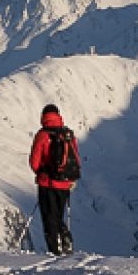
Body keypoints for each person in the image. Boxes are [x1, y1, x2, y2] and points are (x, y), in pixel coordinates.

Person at [28, 103, 80, 255]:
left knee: (48, 216)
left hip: (47, 183)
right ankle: (65, 236)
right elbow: (75, 158)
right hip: (65, 184)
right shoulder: (68, 135)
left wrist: (41, 173)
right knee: (57, 215)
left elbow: (34, 162)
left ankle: (54, 250)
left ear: (43, 117)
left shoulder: (43, 135)